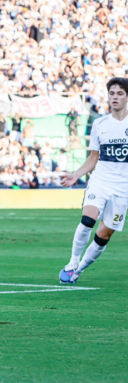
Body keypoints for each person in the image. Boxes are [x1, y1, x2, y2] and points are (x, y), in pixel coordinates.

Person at [59, 78, 128, 284]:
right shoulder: (99, 124)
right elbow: (93, 157)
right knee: (88, 220)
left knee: (103, 235)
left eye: (120, 93)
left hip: (123, 188)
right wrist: (76, 175)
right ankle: (72, 262)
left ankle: (79, 270)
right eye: (112, 93)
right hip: (101, 181)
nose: (115, 97)